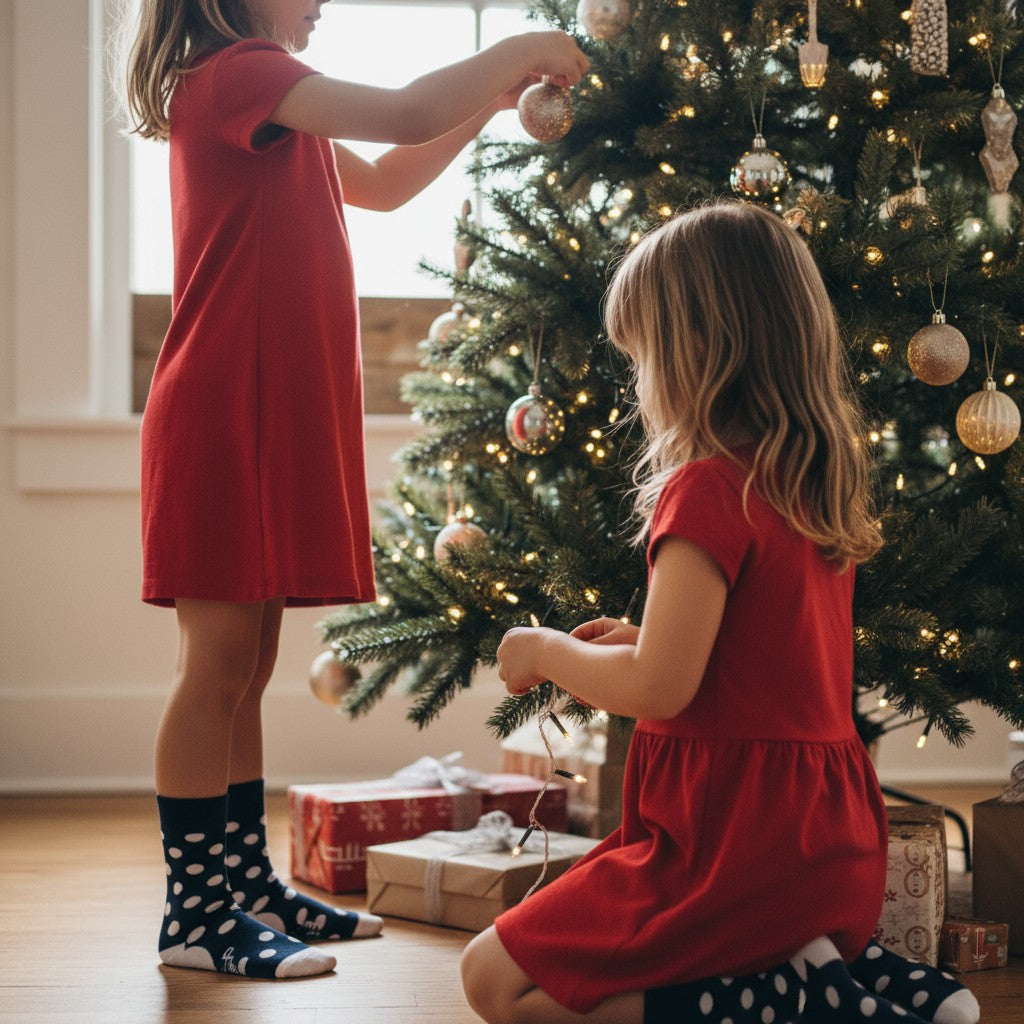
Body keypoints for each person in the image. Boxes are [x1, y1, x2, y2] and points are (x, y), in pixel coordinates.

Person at [122, 0, 588, 980]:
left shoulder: (271, 105)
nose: (323, 0)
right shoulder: (241, 73)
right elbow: (404, 110)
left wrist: (488, 104)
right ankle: (196, 913)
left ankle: (240, 885)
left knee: (245, 662)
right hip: (226, 412)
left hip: (263, 412)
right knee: (213, 668)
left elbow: (381, 178)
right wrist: (513, 51)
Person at [461, 202, 979, 1024]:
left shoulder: (705, 489)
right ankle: (851, 974)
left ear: (698, 349)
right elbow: (756, 658)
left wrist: (545, 650)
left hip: (731, 844)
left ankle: (797, 1003)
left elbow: (659, 688)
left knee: (495, 981)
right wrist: (644, 636)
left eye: (642, 359)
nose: (638, 383)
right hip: (829, 845)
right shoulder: (809, 484)